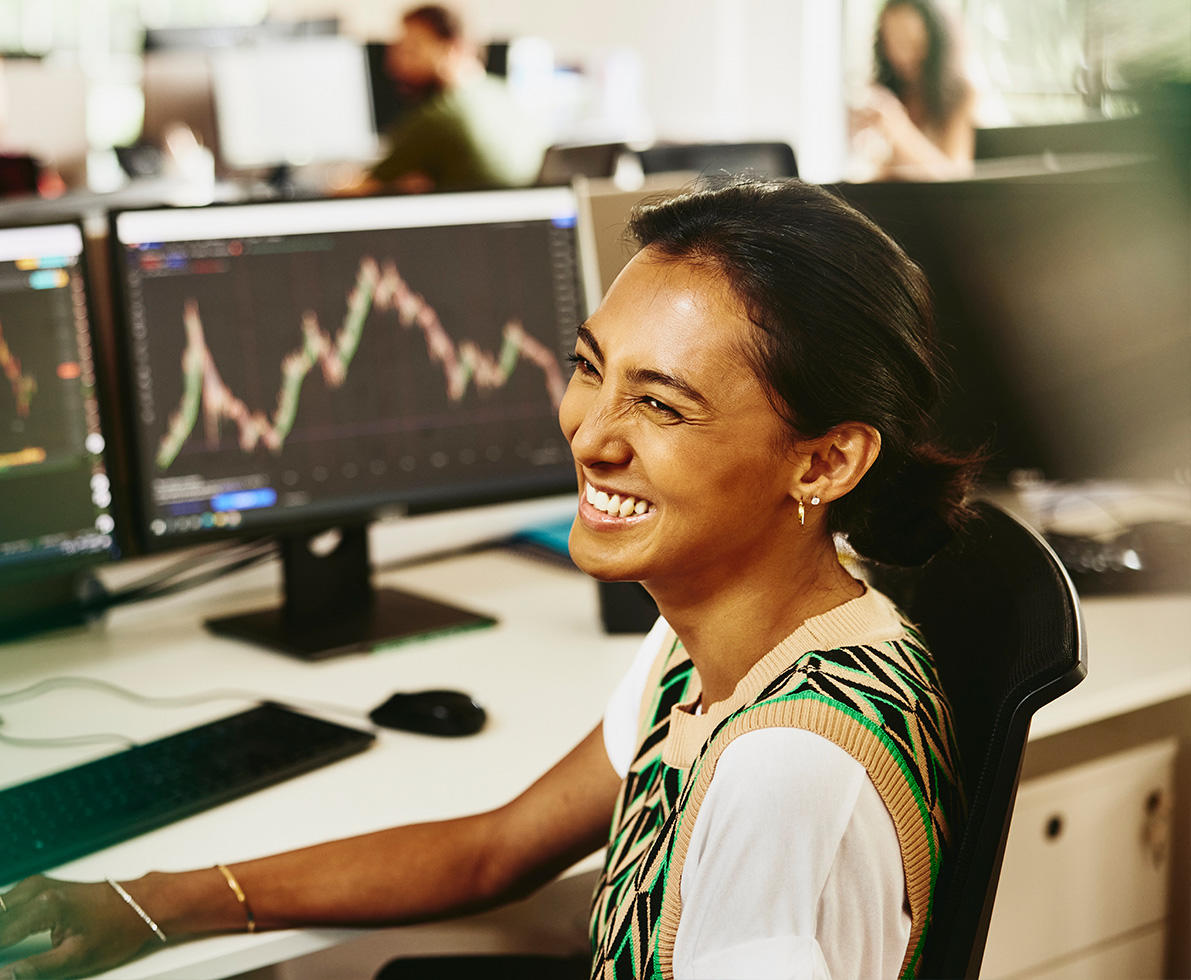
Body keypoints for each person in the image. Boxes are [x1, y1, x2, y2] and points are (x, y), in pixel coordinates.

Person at [0, 177, 978, 980]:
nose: (590, 433)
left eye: (661, 404)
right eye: (589, 367)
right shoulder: (726, 638)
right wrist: (157, 899)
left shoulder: (785, 771)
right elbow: (498, 848)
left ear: (824, 462)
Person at [351, 4, 546, 194]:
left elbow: (360, 190)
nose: (394, 64)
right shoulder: (505, 94)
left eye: (411, 49)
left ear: (452, 48)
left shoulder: (439, 116)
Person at [850, 0, 976, 180]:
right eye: (891, 40)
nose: (900, 53)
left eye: (909, 40)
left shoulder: (961, 93)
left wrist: (899, 129)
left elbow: (954, 178)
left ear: (933, 38)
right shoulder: (883, 92)